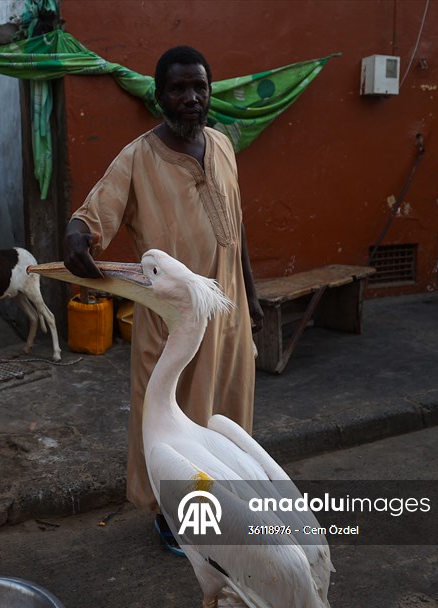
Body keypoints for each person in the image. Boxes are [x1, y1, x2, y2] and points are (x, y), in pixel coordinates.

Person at [62, 45, 264, 552]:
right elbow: (91, 216)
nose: (191, 98)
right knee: (169, 425)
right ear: (159, 96)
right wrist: (76, 235)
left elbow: (235, 233)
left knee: (226, 419)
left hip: (230, 316)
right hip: (172, 326)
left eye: (200, 86)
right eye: (179, 88)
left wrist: (252, 298)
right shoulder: (138, 157)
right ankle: (171, 516)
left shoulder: (222, 145)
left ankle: (220, 507)